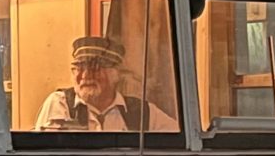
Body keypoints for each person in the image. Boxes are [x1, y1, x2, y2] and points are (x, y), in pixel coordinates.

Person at [34, 35, 177, 134]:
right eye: (79, 68)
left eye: (94, 68)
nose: (84, 76)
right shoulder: (60, 104)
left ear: (115, 74)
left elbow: (179, 142)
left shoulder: (143, 113)